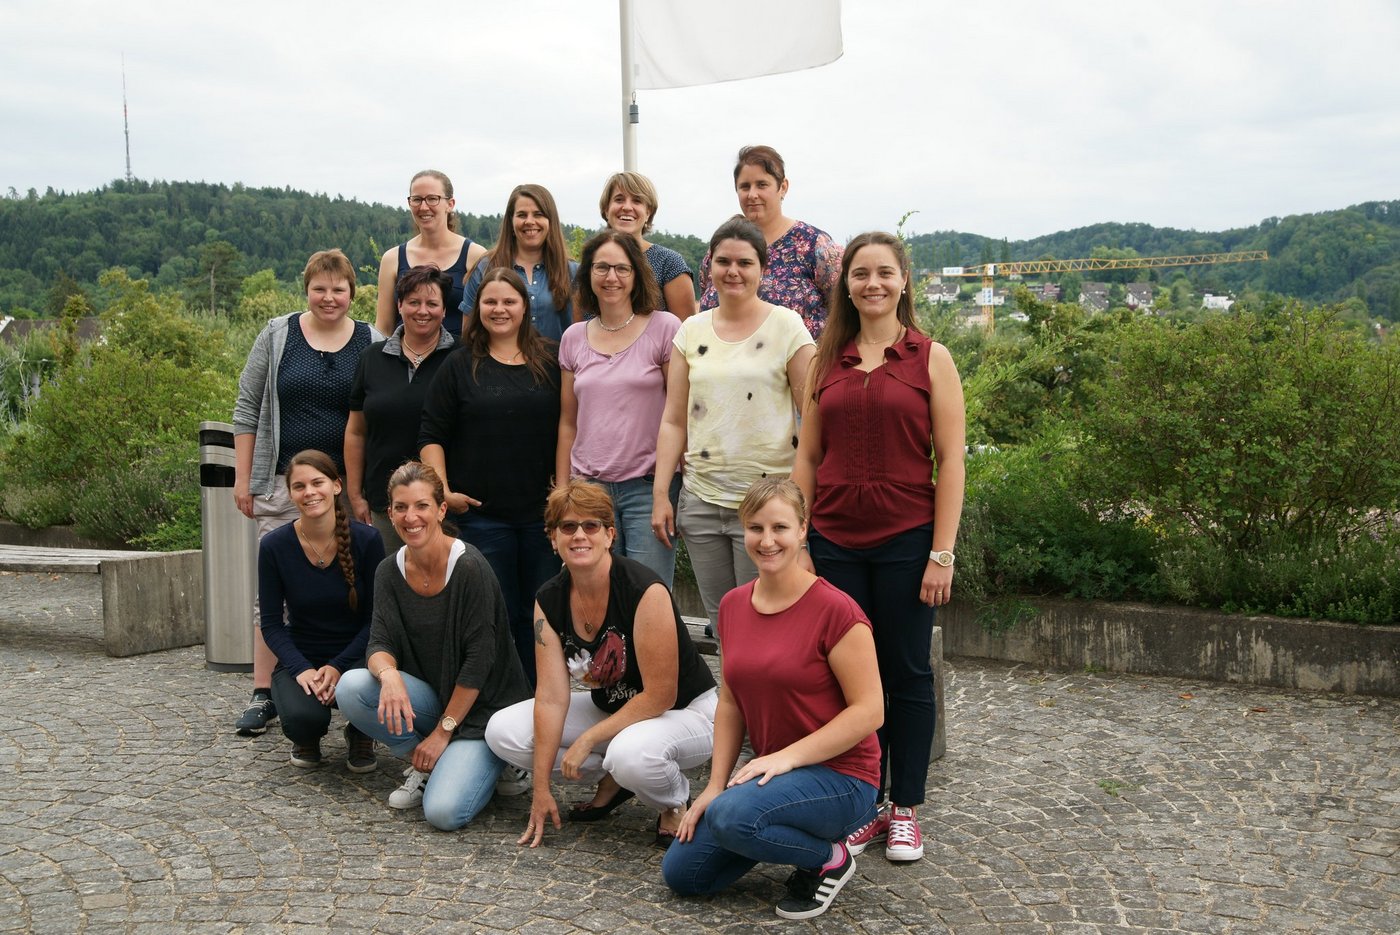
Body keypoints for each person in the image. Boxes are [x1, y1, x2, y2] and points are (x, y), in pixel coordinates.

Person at [792, 231, 966, 863]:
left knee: (907, 674)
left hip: (904, 541)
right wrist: (801, 541)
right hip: (833, 542)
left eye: (884, 272)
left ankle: (905, 809)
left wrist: (940, 552)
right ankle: (859, 803)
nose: (872, 283)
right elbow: (807, 458)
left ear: (903, 282)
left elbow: (951, 461)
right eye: (860, 273)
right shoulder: (825, 359)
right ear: (846, 284)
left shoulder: (931, 358)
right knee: (842, 682)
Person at [662, 479, 883, 920]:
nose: (767, 541)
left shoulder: (837, 610)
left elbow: (871, 710)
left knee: (731, 819)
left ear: (803, 529)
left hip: (843, 777)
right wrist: (713, 786)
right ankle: (762, 824)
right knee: (684, 875)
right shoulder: (732, 605)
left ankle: (828, 859)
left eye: (780, 527)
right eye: (755, 528)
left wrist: (786, 758)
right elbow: (730, 701)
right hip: (773, 776)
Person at [485, 480, 717, 849]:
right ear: (553, 538)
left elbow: (660, 695)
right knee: (502, 731)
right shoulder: (549, 599)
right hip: (618, 710)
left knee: (632, 755)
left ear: (610, 535)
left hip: (687, 712)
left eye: (591, 526)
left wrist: (589, 739)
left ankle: (674, 800)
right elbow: (549, 698)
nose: (579, 535)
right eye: (567, 527)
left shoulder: (644, 590)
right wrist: (541, 789)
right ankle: (617, 778)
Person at [232, 248, 380, 736]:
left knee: (349, 587)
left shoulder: (371, 341)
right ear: (307, 290)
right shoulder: (278, 335)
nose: (329, 297)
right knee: (274, 594)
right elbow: (248, 405)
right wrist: (243, 476)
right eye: (320, 288)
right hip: (282, 481)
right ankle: (263, 690)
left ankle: (348, 679)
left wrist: (360, 491)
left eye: (339, 289)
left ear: (352, 293)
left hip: (344, 485)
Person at [336, 462, 532, 831]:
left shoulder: (470, 567)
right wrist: (389, 674)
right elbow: (379, 641)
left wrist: (443, 733)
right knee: (354, 686)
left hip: (483, 711)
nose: (411, 517)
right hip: (434, 697)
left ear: (441, 509)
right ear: (390, 512)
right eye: (400, 507)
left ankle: (501, 760)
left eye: (421, 506)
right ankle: (423, 762)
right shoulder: (388, 571)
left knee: (443, 812)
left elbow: (479, 662)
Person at [652, 216, 815, 637]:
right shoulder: (691, 330)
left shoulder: (788, 326)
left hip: (766, 507)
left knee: (768, 625)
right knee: (724, 627)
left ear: (762, 268)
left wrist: (800, 501)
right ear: (709, 266)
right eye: (723, 261)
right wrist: (660, 494)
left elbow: (813, 415)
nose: (733, 271)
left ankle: (771, 706)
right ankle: (732, 704)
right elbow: (673, 419)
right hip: (702, 501)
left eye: (745, 262)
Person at [420, 268, 560, 685]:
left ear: (524, 307)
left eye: (509, 301)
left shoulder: (551, 360)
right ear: (477, 308)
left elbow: (570, 425)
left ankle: (545, 703)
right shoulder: (459, 364)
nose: (499, 310)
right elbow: (431, 434)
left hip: (541, 513)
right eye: (490, 302)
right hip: (482, 515)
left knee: (542, 615)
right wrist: (444, 490)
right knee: (495, 613)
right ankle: (503, 706)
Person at [557, 230, 682, 586]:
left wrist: (664, 493)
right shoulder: (573, 337)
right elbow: (568, 422)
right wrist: (563, 494)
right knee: (593, 596)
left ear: (636, 274)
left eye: (622, 269)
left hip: (647, 490)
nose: (611, 277)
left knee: (650, 597)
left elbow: (678, 415)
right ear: (589, 274)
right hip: (589, 490)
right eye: (602, 267)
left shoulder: (664, 328)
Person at [258, 450, 384, 770]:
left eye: (318, 482)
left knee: (362, 690)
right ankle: (307, 737)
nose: (309, 492)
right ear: (291, 494)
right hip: (303, 654)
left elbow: (377, 618)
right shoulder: (273, 546)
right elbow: (271, 623)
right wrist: (301, 669)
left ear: (336, 486)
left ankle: (361, 729)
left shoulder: (368, 540)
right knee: (303, 720)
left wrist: (339, 666)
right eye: (299, 486)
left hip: (358, 654)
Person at [346, 265, 457, 552]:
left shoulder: (460, 359)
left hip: (446, 506)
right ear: (399, 305)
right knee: (390, 583)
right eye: (413, 302)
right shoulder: (372, 358)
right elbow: (357, 431)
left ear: (444, 310)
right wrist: (356, 495)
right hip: (386, 507)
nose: (423, 310)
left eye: (432, 303)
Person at [697, 145, 842, 338]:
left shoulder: (815, 246)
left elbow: (845, 308)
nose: (752, 194)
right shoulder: (720, 250)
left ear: (783, 187)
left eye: (762, 184)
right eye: (745, 186)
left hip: (802, 365)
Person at [374, 169, 487, 339]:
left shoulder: (476, 256)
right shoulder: (392, 259)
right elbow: (384, 327)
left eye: (432, 199)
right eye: (417, 199)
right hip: (405, 361)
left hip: (459, 361)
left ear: (450, 204)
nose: (423, 207)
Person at [459, 184, 577, 342]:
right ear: (511, 222)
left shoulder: (573, 272)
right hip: (496, 366)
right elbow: (469, 336)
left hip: (559, 366)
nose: (530, 221)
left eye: (538, 214)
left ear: (551, 221)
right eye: (522, 215)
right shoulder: (486, 268)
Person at [598, 171, 697, 319]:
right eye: (619, 199)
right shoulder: (591, 263)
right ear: (606, 209)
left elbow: (686, 333)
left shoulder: (669, 263)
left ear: (648, 212)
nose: (627, 207)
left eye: (637, 201)